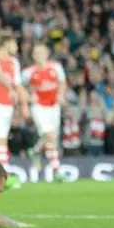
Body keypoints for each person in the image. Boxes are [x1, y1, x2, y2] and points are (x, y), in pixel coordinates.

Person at [0, 32, 29, 186]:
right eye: (14, 43)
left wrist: (24, 105)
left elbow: (18, 85)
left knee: (1, 139)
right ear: (5, 43)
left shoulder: (14, 63)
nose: (16, 47)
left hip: (7, 105)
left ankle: (1, 177)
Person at [21, 43, 67, 180]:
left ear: (47, 53)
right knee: (50, 135)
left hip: (54, 106)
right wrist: (29, 96)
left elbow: (62, 82)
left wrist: (61, 95)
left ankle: (35, 151)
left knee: (51, 138)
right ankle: (58, 171)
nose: (39, 55)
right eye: (36, 52)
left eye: (41, 52)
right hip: (39, 107)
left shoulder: (56, 67)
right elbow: (20, 86)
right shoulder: (28, 72)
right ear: (33, 56)